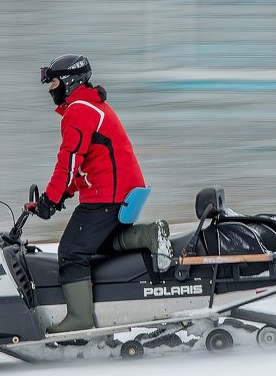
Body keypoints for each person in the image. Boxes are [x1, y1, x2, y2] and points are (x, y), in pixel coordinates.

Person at [26, 54, 172, 333]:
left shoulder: (79, 111)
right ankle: (148, 234)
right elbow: (83, 165)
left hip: (107, 194)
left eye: (53, 82)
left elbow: (68, 160)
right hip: (119, 190)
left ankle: (79, 319)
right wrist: (59, 197)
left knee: (70, 252)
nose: (50, 90)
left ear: (69, 82)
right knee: (95, 244)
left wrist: (51, 200)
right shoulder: (90, 107)